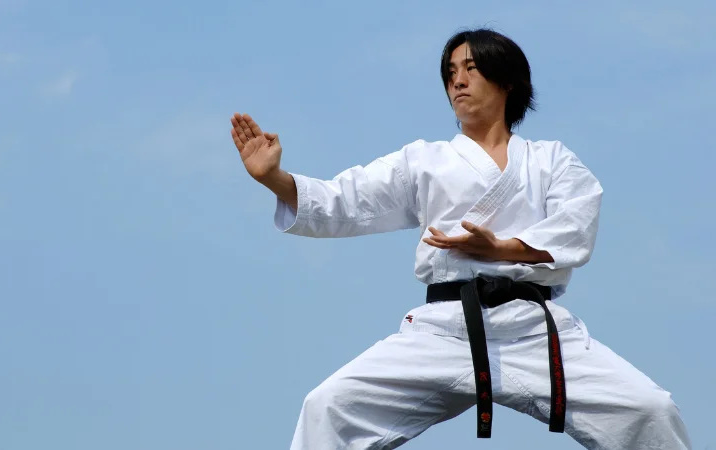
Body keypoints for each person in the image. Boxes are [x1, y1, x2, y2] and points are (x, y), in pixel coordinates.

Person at [229, 28, 692, 450]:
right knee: (327, 408)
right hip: (443, 328)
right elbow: (347, 201)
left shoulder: (551, 161)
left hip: (531, 327)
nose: (458, 81)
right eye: (451, 72)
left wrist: (503, 249)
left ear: (508, 80)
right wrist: (276, 180)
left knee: (652, 412)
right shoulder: (424, 161)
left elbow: (577, 223)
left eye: (471, 68)